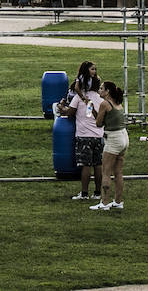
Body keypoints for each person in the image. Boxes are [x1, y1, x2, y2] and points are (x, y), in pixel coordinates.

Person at [58, 60, 103, 201]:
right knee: (98, 165)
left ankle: (84, 193)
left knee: (85, 166)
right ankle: (97, 193)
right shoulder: (100, 98)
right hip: (99, 136)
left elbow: (68, 113)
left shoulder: (79, 98)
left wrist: (61, 107)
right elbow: (93, 114)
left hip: (84, 136)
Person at [91, 80, 127, 210]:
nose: (99, 90)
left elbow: (98, 124)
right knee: (118, 172)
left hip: (113, 138)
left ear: (107, 92)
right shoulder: (118, 103)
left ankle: (104, 203)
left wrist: (93, 110)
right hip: (123, 136)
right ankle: (118, 201)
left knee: (105, 171)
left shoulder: (104, 103)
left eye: (101, 88)